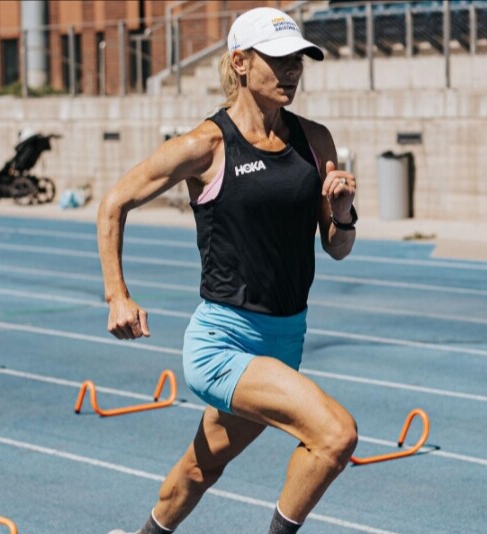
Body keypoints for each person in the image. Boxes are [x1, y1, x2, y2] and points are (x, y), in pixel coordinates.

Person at [100, 7, 360, 534]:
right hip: (223, 344)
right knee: (335, 435)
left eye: (299, 60)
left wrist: (342, 212)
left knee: (199, 470)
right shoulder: (205, 145)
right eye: (279, 59)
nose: (293, 70)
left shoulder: (316, 142)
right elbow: (114, 203)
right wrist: (117, 295)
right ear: (240, 62)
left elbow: (337, 248)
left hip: (285, 340)